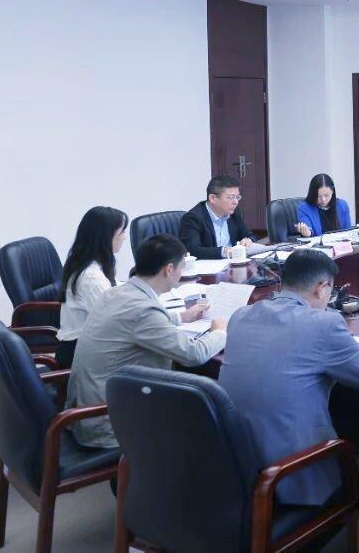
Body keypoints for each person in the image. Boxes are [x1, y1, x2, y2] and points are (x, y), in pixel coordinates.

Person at [218, 250, 359, 506]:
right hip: (291, 475)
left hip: (236, 470)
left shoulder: (240, 316)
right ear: (321, 287)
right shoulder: (324, 324)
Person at [66, 234, 222, 448]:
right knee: (210, 407)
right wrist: (221, 332)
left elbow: (136, 324)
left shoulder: (116, 293)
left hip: (90, 408)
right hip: (110, 422)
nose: (181, 272)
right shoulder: (143, 310)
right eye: (182, 267)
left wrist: (181, 317)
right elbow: (194, 354)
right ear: (169, 269)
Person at [56, 206, 129, 369]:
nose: (124, 237)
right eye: (122, 232)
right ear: (106, 237)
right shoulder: (91, 277)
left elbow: (116, 293)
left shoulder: (92, 263)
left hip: (90, 344)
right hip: (80, 353)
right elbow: (115, 322)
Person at [179, 174, 254, 259]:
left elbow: (249, 235)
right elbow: (192, 250)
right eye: (230, 197)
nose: (235, 202)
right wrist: (224, 252)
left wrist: (248, 240)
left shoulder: (233, 213)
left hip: (234, 263)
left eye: (237, 197)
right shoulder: (193, 218)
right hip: (209, 266)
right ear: (213, 198)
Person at [294, 173, 352, 238]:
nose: (323, 200)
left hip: (340, 243)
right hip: (318, 244)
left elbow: (348, 231)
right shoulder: (304, 208)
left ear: (332, 191)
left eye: (326, 195)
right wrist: (307, 233)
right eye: (318, 196)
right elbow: (309, 230)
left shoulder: (342, 205)